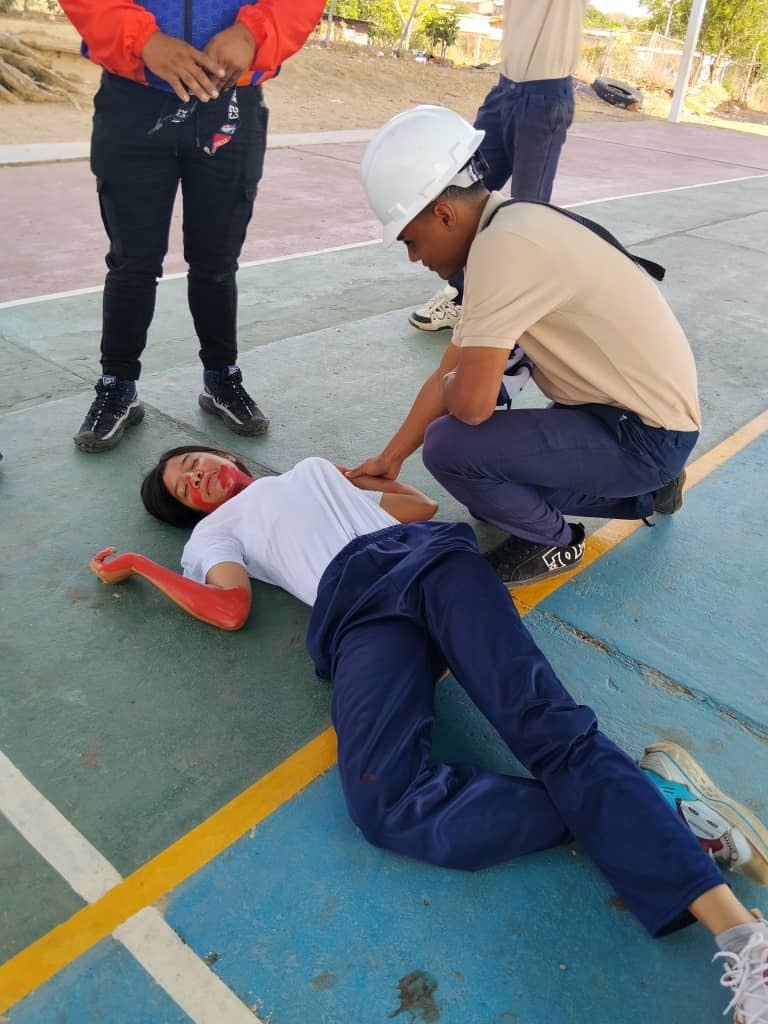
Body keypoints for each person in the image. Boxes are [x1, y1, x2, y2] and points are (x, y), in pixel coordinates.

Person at [89, 446, 768, 1022]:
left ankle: (743, 940)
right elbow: (228, 606)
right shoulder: (213, 534)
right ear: (192, 511)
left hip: (427, 559)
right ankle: (652, 798)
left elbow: (417, 510)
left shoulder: (310, 470)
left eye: (195, 461)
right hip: (355, 612)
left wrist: (364, 482)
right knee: (384, 803)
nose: (198, 476)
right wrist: (141, 567)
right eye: (186, 487)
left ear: (222, 455)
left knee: (545, 726)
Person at [350, 105, 701, 587]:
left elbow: (470, 405)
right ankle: (651, 491)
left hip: (640, 434)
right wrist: (391, 458)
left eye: (411, 241)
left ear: (445, 214)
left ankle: (554, 541)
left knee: (451, 447)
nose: (414, 258)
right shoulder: (511, 225)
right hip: (637, 420)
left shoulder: (502, 250)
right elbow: (449, 372)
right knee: (486, 491)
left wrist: (457, 385)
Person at [59, 0, 325, 452]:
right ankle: (117, 384)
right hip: (133, 102)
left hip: (231, 103)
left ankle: (221, 377)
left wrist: (253, 33)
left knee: (217, 261)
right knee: (132, 261)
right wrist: (142, 40)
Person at [409, 0, 588, 333]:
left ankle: (516, 315)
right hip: (505, 90)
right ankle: (461, 296)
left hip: (545, 96)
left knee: (528, 216)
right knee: (461, 193)